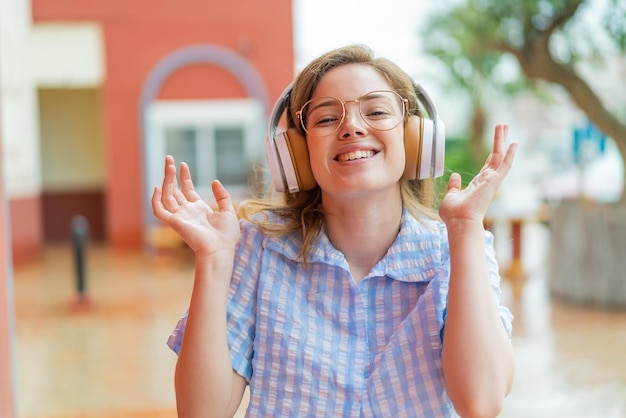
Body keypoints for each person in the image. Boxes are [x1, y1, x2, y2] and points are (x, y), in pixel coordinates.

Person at [153, 44, 516, 418]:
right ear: (295, 152)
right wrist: (213, 261)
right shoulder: (258, 247)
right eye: (326, 119)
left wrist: (466, 229)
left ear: (415, 139)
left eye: (376, 111)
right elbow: (201, 412)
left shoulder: (457, 247)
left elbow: (481, 402)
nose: (352, 127)